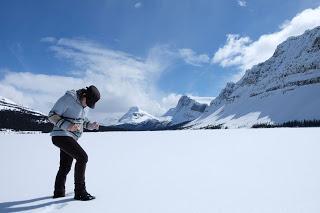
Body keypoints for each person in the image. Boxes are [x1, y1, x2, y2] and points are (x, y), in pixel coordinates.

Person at [47, 85, 100, 201]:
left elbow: (81, 122)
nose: (87, 106)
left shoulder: (81, 105)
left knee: (65, 166)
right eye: (88, 102)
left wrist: (90, 125)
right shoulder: (68, 99)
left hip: (69, 137)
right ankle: (80, 192)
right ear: (84, 95)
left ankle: (59, 193)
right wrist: (68, 126)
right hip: (60, 135)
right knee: (82, 157)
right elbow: (51, 116)